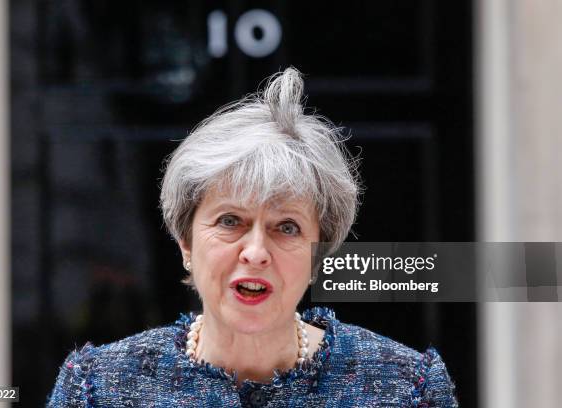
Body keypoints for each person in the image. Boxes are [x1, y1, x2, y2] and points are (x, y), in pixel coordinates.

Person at [47, 67, 458, 407]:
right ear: (186, 242)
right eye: (230, 221)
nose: (256, 252)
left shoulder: (408, 389)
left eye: (287, 227)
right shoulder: (96, 389)